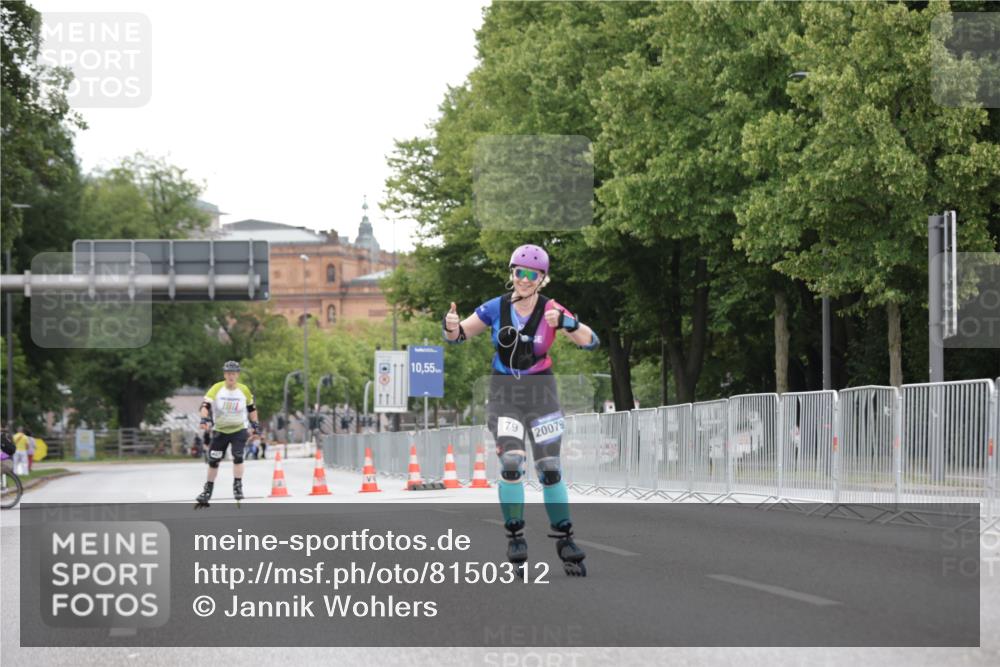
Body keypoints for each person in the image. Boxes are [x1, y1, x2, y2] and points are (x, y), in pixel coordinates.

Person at [442, 244, 600, 576]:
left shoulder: (552, 309)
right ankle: (515, 534)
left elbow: (591, 341)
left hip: (542, 392)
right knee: (512, 462)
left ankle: (565, 537)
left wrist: (569, 323)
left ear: (543, 278)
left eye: (532, 275)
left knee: (549, 467)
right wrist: (451, 325)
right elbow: (458, 336)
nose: (524, 280)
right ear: (511, 273)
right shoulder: (495, 307)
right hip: (504, 394)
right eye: (519, 273)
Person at [195, 360, 260, 506]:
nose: (231, 376)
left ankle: (237, 486)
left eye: (234, 373)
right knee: (213, 461)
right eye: (229, 373)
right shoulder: (217, 388)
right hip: (220, 431)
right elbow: (205, 405)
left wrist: (255, 424)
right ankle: (208, 490)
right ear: (225, 375)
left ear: (237, 375)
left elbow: (252, 409)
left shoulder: (244, 390)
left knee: (238, 457)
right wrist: (204, 418)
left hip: (239, 429)